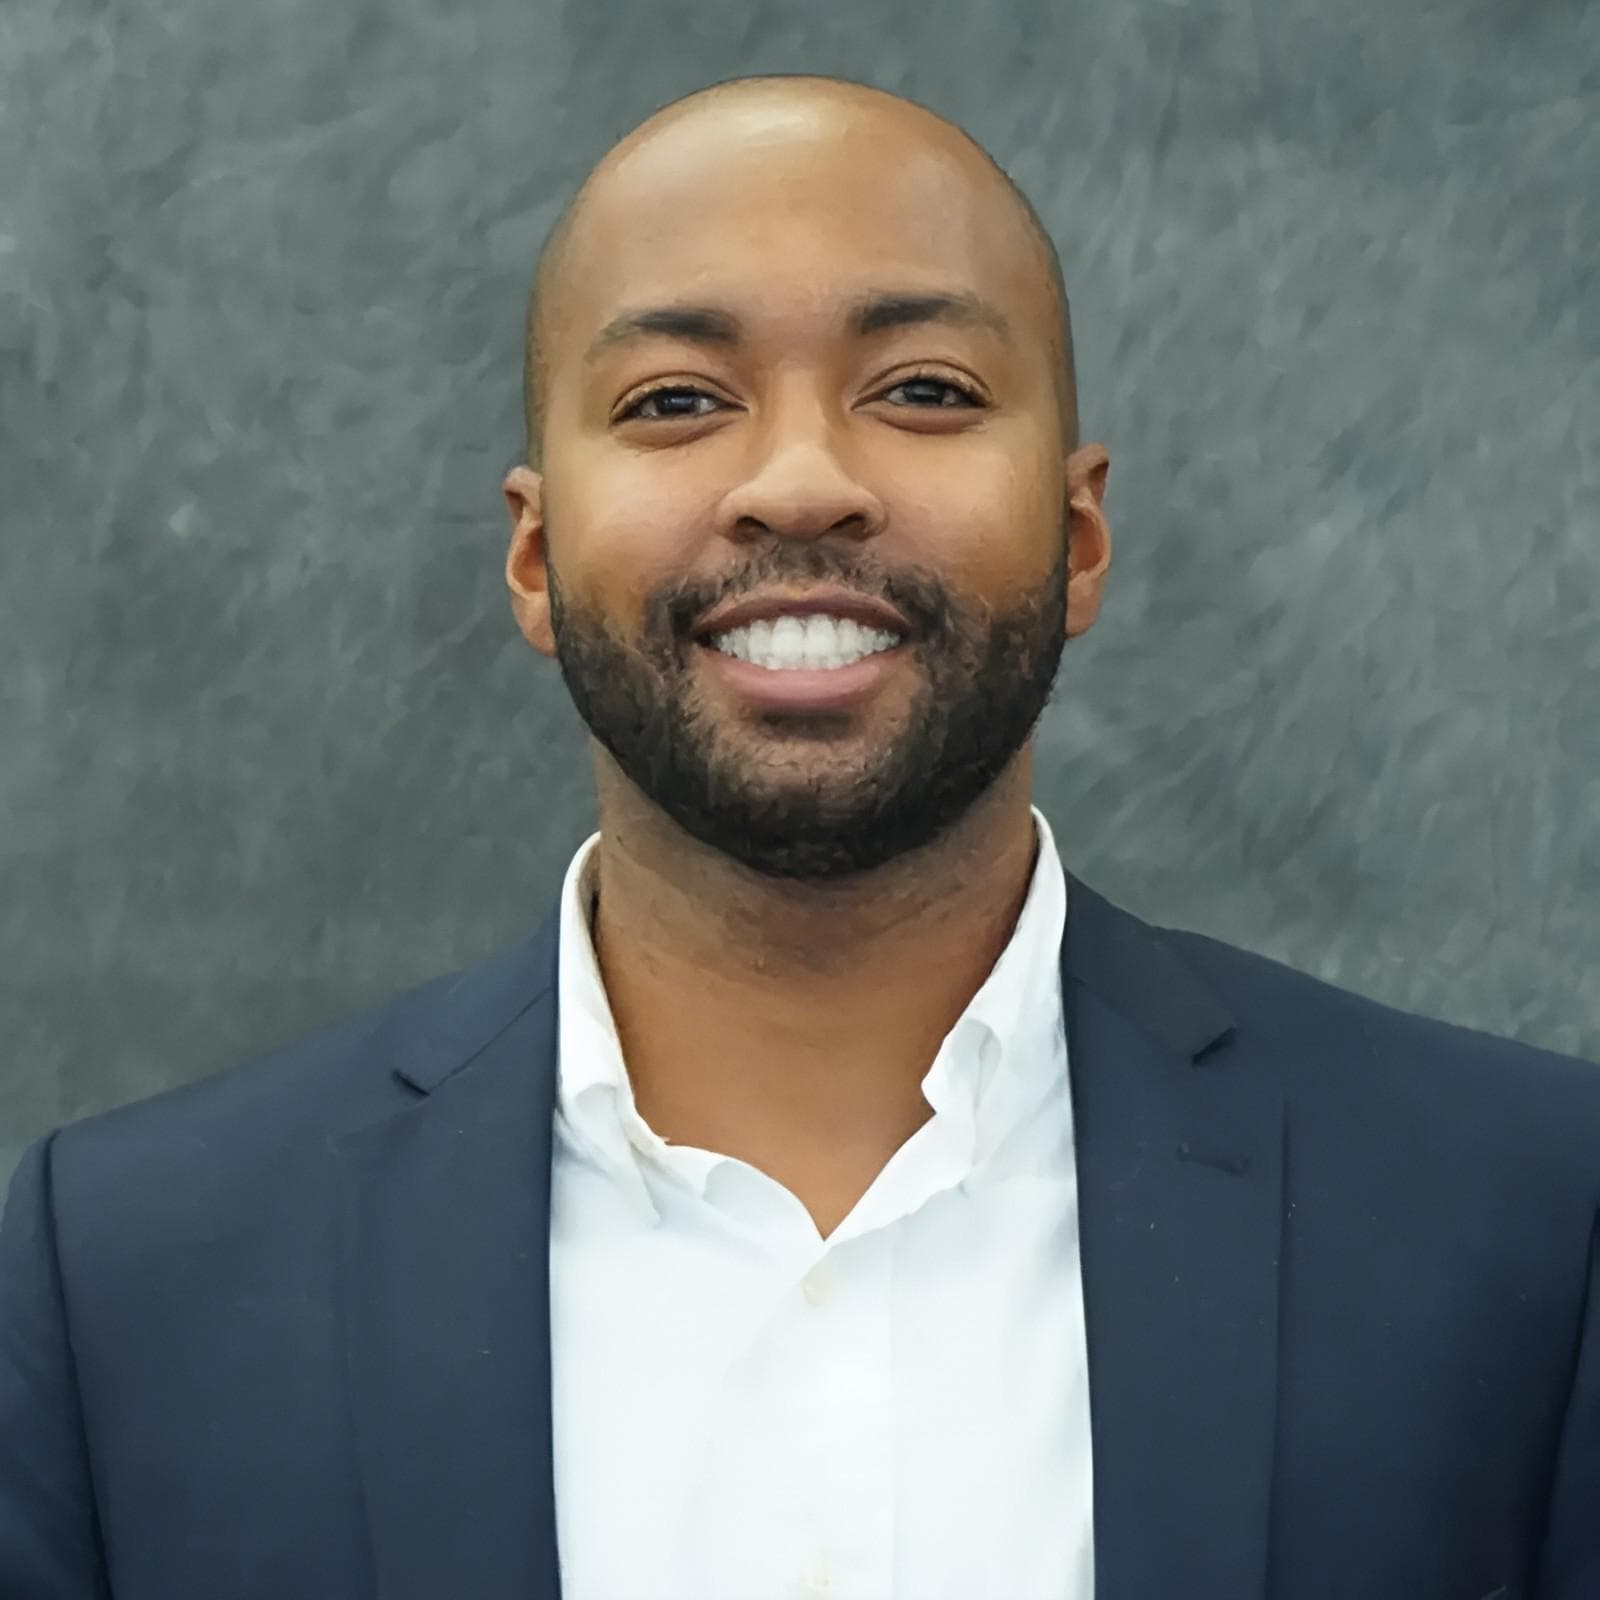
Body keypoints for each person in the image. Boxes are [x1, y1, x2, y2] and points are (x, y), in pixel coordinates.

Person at [1, 70, 1596, 1600]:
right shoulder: (127, 1281)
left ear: (1080, 531)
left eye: (923, 391)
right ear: (538, 559)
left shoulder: (1527, 1217)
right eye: (677, 399)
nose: (803, 484)